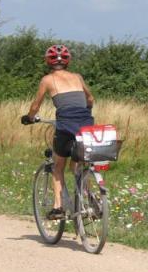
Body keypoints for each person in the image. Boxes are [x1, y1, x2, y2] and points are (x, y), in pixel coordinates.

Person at [21, 44, 94, 219]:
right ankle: (91, 200)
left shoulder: (47, 80)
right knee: (78, 162)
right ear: (68, 62)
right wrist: (86, 110)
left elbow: (35, 106)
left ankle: (58, 207)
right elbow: (90, 99)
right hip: (85, 123)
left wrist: (29, 118)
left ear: (48, 62)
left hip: (66, 125)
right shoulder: (77, 77)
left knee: (58, 166)